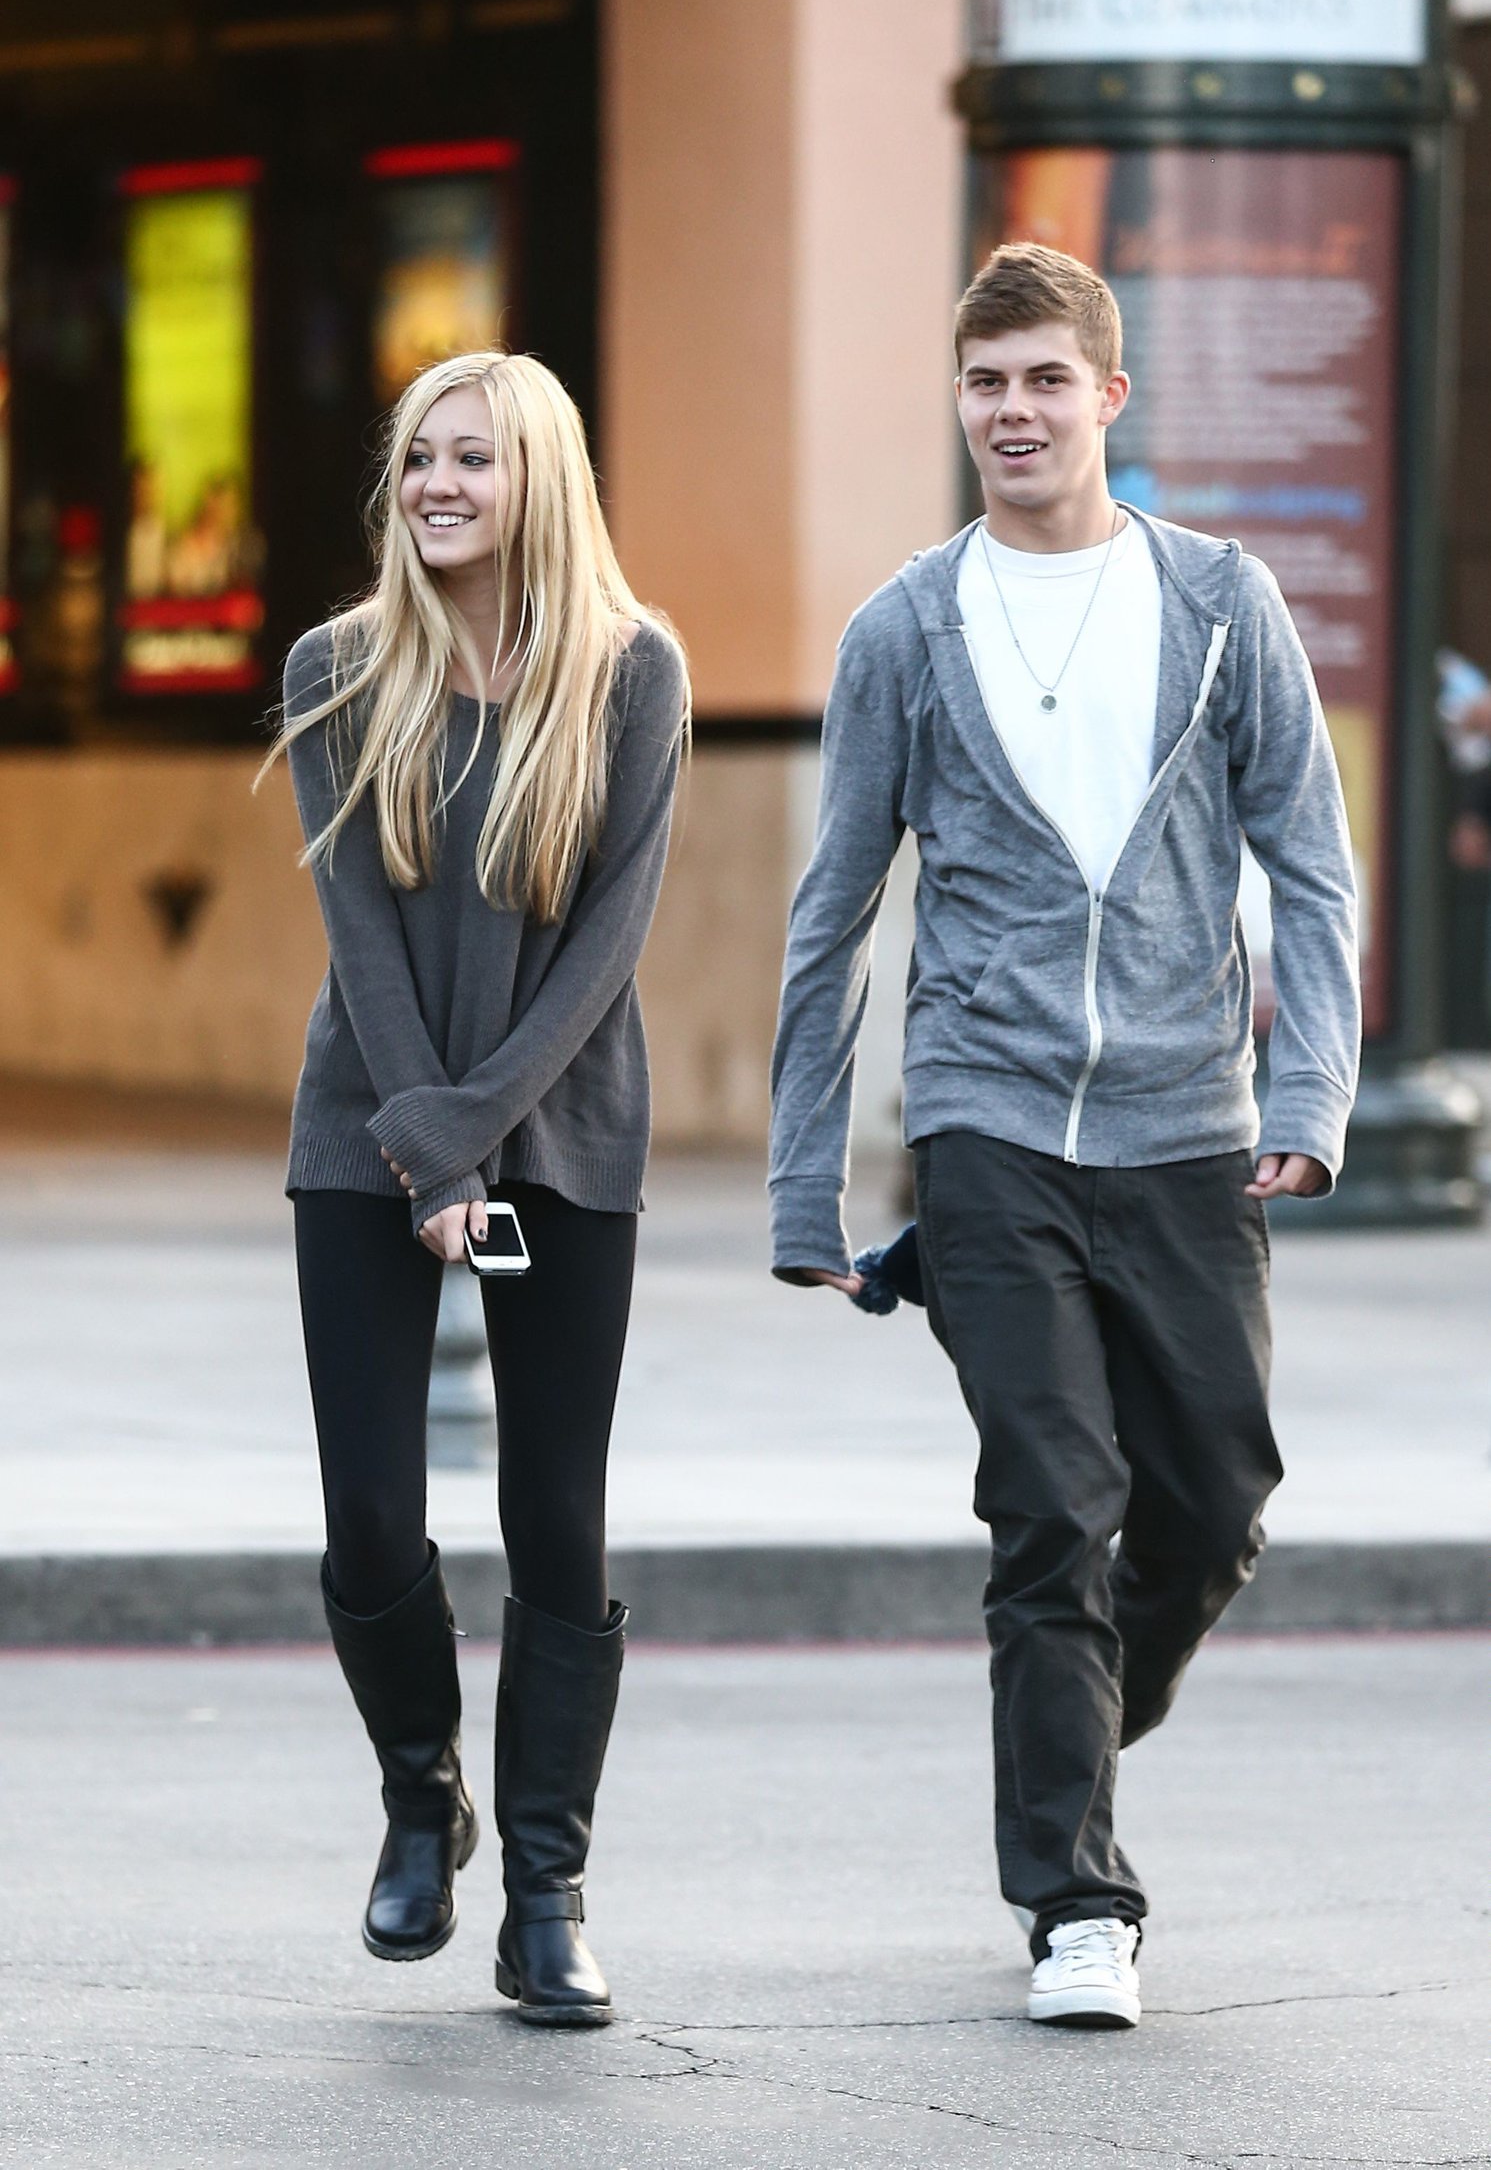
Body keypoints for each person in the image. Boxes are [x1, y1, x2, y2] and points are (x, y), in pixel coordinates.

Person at [768, 244, 1360, 2030]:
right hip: (989, 1120)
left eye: (1043, 381)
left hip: (1190, 1124)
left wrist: (1316, 1092)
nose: (1013, 413)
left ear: (1113, 396)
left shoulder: (1220, 606)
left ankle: (1075, 1728)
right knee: (1053, 1506)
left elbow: (1313, 868)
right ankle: (1075, 1901)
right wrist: (808, 1176)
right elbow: (833, 907)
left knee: (1214, 1507)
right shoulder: (907, 627)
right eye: (985, 385)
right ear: (959, 406)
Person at [259, 349, 687, 2026]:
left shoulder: (632, 675)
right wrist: (425, 1146)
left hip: (568, 1131)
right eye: (421, 458)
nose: (438, 485)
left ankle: (549, 1887)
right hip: (365, 1129)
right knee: (369, 1507)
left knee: (553, 1516)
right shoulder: (335, 668)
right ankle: (417, 1796)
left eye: (476, 461)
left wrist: (488, 1132)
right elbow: (357, 934)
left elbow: (608, 947)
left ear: (543, 483)